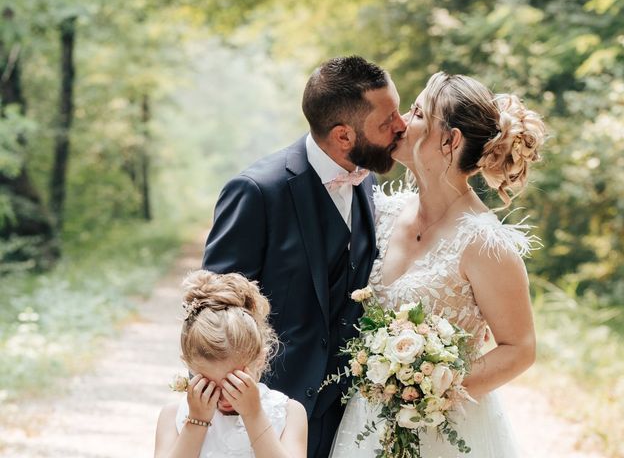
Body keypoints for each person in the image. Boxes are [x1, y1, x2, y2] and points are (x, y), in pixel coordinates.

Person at [331, 71, 546, 457]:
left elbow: (520, 347)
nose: (399, 123)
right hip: (365, 423)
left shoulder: (484, 242)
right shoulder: (381, 212)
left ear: (451, 140)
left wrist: (434, 387)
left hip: (445, 433)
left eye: (416, 113)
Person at [201, 55, 406, 458]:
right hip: (269, 412)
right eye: (387, 121)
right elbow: (213, 312)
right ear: (343, 136)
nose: (401, 126)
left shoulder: (366, 182)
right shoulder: (257, 191)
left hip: (351, 412)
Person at [154, 270, 308, 458]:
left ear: (260, 359)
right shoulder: (173, 416)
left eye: (234, 382)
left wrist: (253, 415)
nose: (225, 396)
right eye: (210, 386)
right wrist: (197, 421)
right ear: (189, 365)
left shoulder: (289, 413)